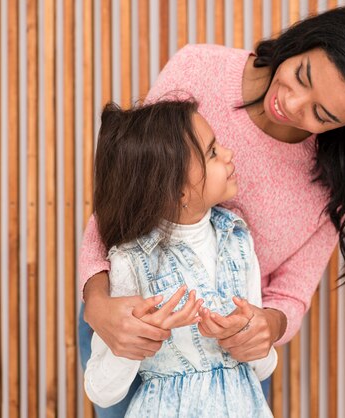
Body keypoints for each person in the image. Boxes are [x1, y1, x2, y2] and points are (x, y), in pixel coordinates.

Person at [78, 4, 345, 416]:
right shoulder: (200, 69)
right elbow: (124, 199)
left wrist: (266, 327)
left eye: (322, 114)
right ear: (306, 41)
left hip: (236, 361)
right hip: (130, 333)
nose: (291, 102)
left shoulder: (341, 177)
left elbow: (289, 296)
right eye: (301, 75)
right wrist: (99, 305)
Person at [83, 99, 276, 417]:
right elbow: (101, 392)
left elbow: (262, 368)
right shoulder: (131, 263)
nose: (228, 155)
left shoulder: (239, 240)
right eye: (213, 153)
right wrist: (138, 340)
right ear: (178, 192)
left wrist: (249, 336)